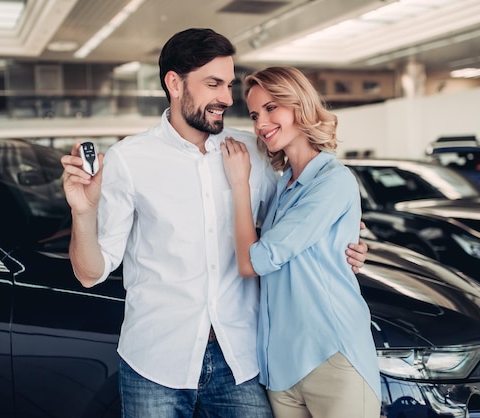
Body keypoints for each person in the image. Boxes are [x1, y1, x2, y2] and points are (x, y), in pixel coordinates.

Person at [61, 28, 368, 417]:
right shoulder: (129, 159)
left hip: (241, 359)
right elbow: (90, 273)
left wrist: (350, 241)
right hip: (155, 362)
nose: (226, 97)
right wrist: (83, 212)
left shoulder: (252, 153)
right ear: (174, 83)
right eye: (213, 83)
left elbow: (291, 225)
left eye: (228, 84)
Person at [221, 66, 381, 417]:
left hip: (332, 358)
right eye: (253, 114)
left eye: (271, 107)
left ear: (300, 107)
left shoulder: (333, 181)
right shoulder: (282, 187)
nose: (261, 123)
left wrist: (239, 185)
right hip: (281, 369)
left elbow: (252, 263)